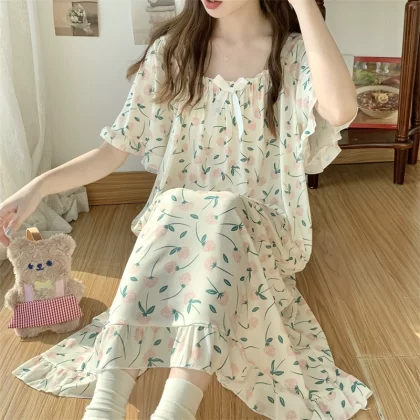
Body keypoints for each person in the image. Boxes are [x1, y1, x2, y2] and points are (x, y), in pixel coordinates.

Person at [0, 0, 373, 419]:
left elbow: (341, 110)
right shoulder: (174, 52)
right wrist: (37, 186)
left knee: (218, 207)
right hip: (177, 231)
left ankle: (175, 411)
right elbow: (112, 151)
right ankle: (103, 408)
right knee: (178, 202)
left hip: (259, 235)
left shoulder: (293, 54)